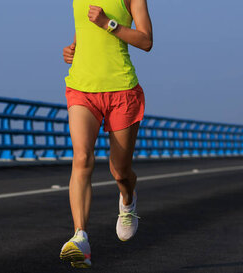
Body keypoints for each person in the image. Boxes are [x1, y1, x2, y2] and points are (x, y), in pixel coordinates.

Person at [58, 0, 153, 268]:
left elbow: (146, 41)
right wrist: (73, 48)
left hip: (122, 90)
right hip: (81, 87)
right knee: (82, 158)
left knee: (120, 171)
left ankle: (128, 200)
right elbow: (84, 29)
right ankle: (81, 238)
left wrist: (108, 24)